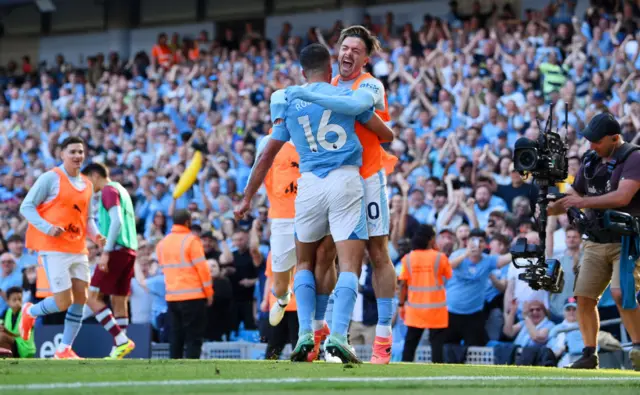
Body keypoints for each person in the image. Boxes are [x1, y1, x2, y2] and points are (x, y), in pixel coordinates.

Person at [235, 43, 394, 363]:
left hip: (308, 187)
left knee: (304, 263)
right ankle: (337, 336)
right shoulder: (344, 98)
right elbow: (384, 133)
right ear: (330, 68)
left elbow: (266, 154)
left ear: (301, 71)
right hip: (345, 180)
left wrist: (248, 196)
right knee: (349, 263)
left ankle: (306, 334)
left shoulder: (286, 100)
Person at [286, 25, 399, 364]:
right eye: (345, 47)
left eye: (356, 50)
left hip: (367, 177)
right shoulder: (329, 85)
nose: (349, 53)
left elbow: (378, 126)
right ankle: (321, 333)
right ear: (336, 52)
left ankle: (383, 336)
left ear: (365, 58)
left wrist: (299, 94)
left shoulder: (369, 84)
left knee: (376, 252)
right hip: (336, 178)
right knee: (323, 253)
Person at [550, 112, 640, 370]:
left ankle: (638, 347)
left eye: (597, 141)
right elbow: (573, 196)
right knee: (584, 297)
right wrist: (548, 209)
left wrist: (583, 202)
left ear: (615, 138)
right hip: (594, 241)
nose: (591, 146)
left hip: (628, 240)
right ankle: (589, 354)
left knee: (621, 293)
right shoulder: (591, 160)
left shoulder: (634, 158)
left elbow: (623, 197)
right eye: (589, 140)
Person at [18, 136, 106, 359]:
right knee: (62, 302)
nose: (78, 156)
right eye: (73, 152)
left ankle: (64, 348)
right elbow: (26, 206)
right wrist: (47, 227)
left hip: (79, 249)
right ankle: (30, 311)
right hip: (53, 248)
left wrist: (97, 236)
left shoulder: (87, 184)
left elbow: (88, 219)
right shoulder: (50, 178)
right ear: (62, 155)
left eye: (80, 152)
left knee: (80, 299)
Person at [81, 162, 137, 359]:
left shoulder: (108, 190)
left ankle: (121, 340)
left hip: (116, 250)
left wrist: (105, 251)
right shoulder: (122, 191)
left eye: (87, 180)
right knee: (119, 299)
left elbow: (117, 222)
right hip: (130, 250)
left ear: (95, 175)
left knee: (91, 297)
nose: (87, 185)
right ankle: (119, 348)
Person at [155, 209, 213, 359]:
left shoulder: (162, 243)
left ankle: (175, 370)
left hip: (172, 297)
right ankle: (192, 370)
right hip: (193, 296)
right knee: (194, 337)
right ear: (188, 222)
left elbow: (163, 267)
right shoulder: (191, 240)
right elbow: (203, 270)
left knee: (176, 337)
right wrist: (209, 293)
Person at [398, 224, 452, 363]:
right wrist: (437, 250)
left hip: (415, 310)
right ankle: (437, 376)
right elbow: (448, 274)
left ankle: (404, 372)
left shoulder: (408, 258)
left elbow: (402, 285)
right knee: (437, 347)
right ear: (431, 239)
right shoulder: (440, 257)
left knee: (410, 346)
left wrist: (401, 304)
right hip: (436, 311)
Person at [0, 287, 36, 358]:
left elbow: (21, 334)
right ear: (8, 301)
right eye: (14, 300)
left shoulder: (27, 313)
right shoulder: (6, 313)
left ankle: (9, 358)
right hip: (13, 344)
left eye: (19, 299)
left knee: (1, 336)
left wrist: (6, 331)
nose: (17, 302)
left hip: (25, 348)